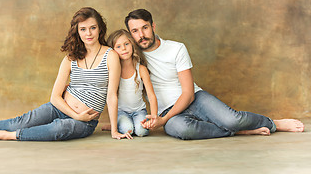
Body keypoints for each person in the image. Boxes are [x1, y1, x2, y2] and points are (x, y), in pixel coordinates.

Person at [124, 9, 305, 140]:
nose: (141, 35)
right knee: (183, 130)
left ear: (153, 26)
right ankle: (238, 132)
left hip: (195, 98)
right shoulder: (132, 57)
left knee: (232, 119)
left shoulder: (176, 48)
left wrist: (163, 120)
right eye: (135, 31)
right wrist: (162, 117)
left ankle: (273, 123)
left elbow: (187, 93)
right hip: (168, 111)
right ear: (131, 35)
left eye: (145, 28)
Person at [0, 7, 131, 141]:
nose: (88, 33)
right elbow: (55, 97)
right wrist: (75, 113)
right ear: (77, 32)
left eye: (93, 28)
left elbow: (111, 95)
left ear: (100, 29)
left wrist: (114, 130)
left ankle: (6, 135)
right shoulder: (71, 58)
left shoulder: (111, 56)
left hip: (85, 121)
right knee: (24, 120)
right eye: (83, 29)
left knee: (59, 129)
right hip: (59, 108)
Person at [106, 29, 158, 137]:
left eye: (126, 44)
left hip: (139, 111)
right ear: (113, 50)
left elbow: (151, 95)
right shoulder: (114, 71)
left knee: (142, 131)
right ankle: (114, 124)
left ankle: (122, 124)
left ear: (132, 44)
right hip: (121, 111)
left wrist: (153, 117)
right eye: (118, 46)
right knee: (127, 129)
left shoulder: (141, 69)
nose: (124, 48)